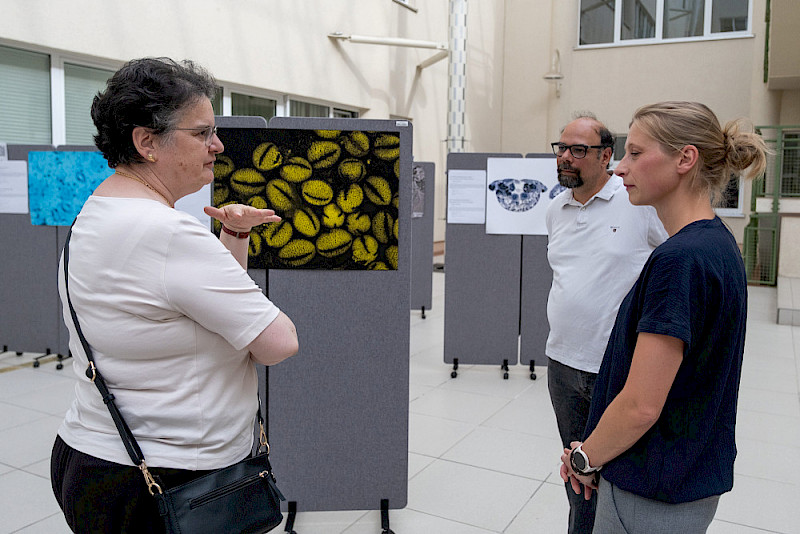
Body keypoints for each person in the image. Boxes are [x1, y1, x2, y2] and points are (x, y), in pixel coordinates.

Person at [50, 57, 299, 533]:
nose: (217, 145)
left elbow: (195, 314)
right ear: (147, 142)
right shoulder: (166, 233)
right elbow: (278, 342)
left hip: (96, 458)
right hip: (168, 482)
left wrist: (234, 238)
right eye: (202, 133)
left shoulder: (99, 210)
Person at [559, 101, 768, 533]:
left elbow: (641, 406)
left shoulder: (680, 260)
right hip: (683, 475)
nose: (620, 167)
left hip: (651, 488)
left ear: (685, 159)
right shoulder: (716, 242)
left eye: (636, 153)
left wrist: (585, 457)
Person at [546, 113, 667, 534]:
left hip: (617, 368)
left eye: (578, 150)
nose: (565, 157)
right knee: (576, 476)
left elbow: (675, 260)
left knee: (615, 478)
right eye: (561, 148)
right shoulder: (555, 210)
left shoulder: (638, 204)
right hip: (562, 364)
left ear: (605, 156)